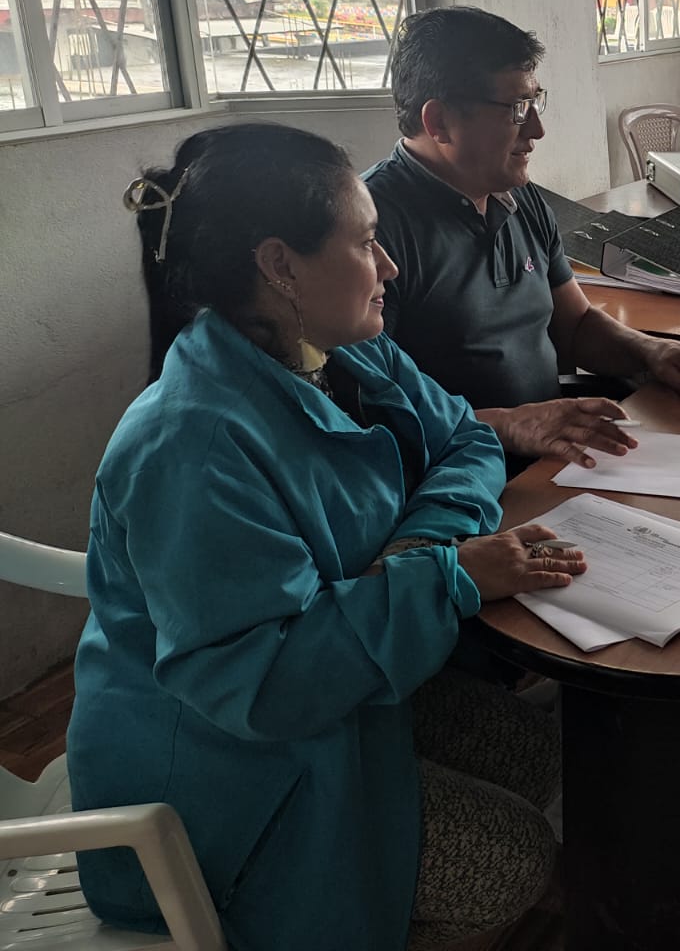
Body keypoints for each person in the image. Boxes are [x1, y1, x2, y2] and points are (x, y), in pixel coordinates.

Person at [69, 124, 585, 951]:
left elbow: (467, 440)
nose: (390, 267)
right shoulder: (194, 447)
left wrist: (422, 557)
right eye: (367, 242)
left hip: (328, 691)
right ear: (280, 264)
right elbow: (262, 687)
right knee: (509, 860)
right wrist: (447, 578)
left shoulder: (341, 352)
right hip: (220, 779)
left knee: (543, 754)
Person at [365, 6, 680, 471]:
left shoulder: (520, 197)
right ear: (439, 122)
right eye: (517, 109)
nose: (537, 129)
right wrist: (511, 425)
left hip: (554, 457)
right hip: (460, 476)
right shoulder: (369, 233)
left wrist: (651, 351)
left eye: (536, 102)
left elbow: (574, 326)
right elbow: (370, 415)